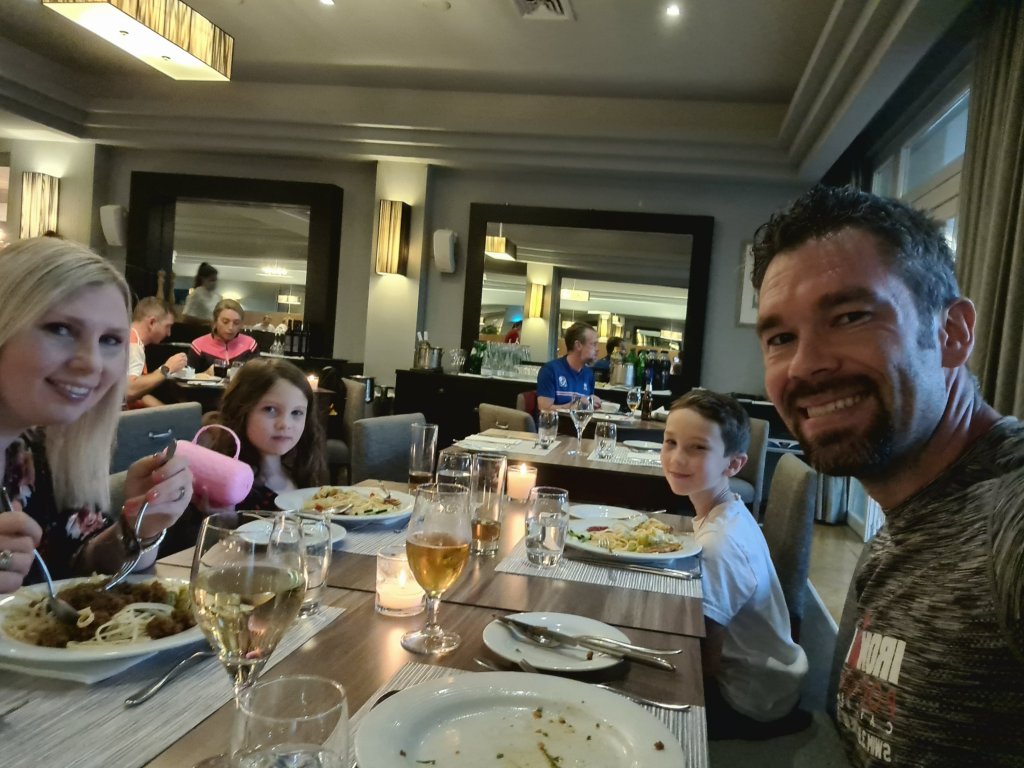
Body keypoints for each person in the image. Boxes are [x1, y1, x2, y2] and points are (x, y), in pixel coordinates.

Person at [751, 185, 1024, 765]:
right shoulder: (906, 524)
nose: (804, 365)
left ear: (952, 333)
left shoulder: (1007, 518)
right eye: (780, 338)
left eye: (851, 316)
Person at [0, 238, 194, 594]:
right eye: (60, 329)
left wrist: (137, 528)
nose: (92, 363)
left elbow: (78, 566)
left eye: (110, 340)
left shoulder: (44, 452)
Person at [661, 389, 809, 739]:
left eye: (698, 448)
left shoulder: (719, 544)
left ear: (733, 465)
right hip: (775, 681)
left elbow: (704, 660)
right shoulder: (731, 510)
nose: (677, 458)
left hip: (747, 699)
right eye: (670, 442)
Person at [210, 359, 326, 510]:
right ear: (241, 411)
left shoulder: (302, 473)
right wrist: (225, 518)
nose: (285, 424)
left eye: (296, 412)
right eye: (270, 409)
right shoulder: (231, 487)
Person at [125, 296, 189, 408]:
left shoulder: (129, 337)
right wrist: (167, 368)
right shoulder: (133, 346)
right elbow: (129, 391)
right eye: (167, 326)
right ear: (152, 322)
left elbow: (139, 393)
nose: (169, 333)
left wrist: (167, 411)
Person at [536, 321, 603, 411]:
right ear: (578, 345)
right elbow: (544, 409)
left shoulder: (588, 374)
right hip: (556, 420)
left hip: (579, 420)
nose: (597, 349)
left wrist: (594, 405)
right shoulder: (550, 370)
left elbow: (586, 410)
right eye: (593, 344)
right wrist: (577, 404)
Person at [188, 298, 259, 373]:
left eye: (236, 323)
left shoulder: (250, 345)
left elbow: (259, 376)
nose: (231, 327)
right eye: (225, 322)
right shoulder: (198, 345)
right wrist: (205, 374)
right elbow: (188, 376)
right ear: (215, 322)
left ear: (241, 324)